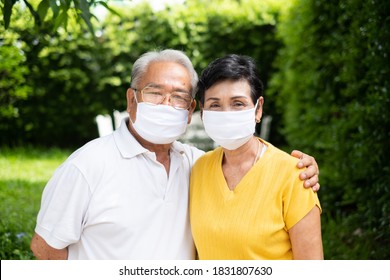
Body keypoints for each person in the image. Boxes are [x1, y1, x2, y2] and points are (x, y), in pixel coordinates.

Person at [30, 49, 320, 260]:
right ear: (132, 100)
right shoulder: (88, 165)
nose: (167, 104)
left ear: (190, 110)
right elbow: (44, 246)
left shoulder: (193, 162)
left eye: (179, 96)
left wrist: (302, 168)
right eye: (155, 93)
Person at [190, 54, 323, 260]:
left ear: (258, 109)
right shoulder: (198, 169)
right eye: (215, 105)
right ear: (203, 111)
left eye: (238, 104)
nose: (226, 113)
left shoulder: (294, 176)